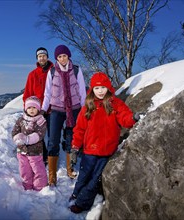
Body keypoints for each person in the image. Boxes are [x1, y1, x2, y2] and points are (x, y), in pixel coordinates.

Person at [68, 72, 140, 213]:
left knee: (94, 180)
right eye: (96, 88)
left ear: (108, 87)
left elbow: (124, 117)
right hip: (89, 151)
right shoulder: (88, 106)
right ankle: (76, 193)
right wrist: (75, 147)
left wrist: (133, 118)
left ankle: (82, 203)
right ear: (92, 89)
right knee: (84, 176)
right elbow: (80, 129)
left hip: (106, 151)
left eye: (102, 87)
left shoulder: (115, 104)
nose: (100, 91)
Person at [41, 44, 87, 186]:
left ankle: (69, 169)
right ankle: (52, 176)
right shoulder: (52, 71)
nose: (62, 59)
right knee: (53, 140)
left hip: (74, 109)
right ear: (56, 58)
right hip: (56, 109)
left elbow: (82, 89)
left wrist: (84, 108)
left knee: (70, 138)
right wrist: (43, 109)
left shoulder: (77, 70)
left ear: (68, 56)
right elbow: (47, 92)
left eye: (64, 56)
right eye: (59, 56)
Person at [23, 47, 54, 166]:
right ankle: (44, 156)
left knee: (52, 135)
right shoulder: (32, 74)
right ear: (37, 58)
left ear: (47, 56)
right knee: (38, 135)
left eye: (44, 55)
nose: (42, 58)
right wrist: (27, 108)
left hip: (52, 109)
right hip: (37, 111)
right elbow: (27, 94)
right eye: (40, 56)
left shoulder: (54, 71)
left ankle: (52, 158)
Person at [12, 96, 48, 191]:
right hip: (22, 151)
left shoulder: (40, 121)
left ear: (38, 109)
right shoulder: (21, 120)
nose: (31, 110)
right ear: (25, 109)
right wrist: (17, 138)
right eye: (29, 107)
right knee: (25, 170)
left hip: (35, 151)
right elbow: (15, 131)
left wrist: (26, 139)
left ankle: (40, 187)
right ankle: (27, 186)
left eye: (34, 107)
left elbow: (39, 134)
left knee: (38, 170)